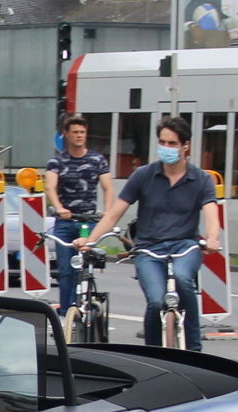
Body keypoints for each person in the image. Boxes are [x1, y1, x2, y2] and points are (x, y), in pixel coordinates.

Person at [83, 114, 220, 351]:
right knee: (156, 302)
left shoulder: (201, 179)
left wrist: (213, 239)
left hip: (184, 246)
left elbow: (211, 216)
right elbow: (114, 214)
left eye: (172, 143)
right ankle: (153, 354)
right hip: (148, 249)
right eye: (162, 142)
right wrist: (90, 240)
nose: (166, 148)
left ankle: (195, 348)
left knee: (183, 279)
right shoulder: (143, 175)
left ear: (185, 146)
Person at [44, 114, 112, 312]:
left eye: (82, 132)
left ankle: (85, 305)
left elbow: (108, 188)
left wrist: (108, 212)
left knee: (83, 268)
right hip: (65, 223)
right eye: (75, 132)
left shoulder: (97, 159)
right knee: (66, 270)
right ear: (66, 135)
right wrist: (59, 208)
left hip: (88, 223)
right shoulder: (57, 162)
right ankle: (67, 312)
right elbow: (50, 187)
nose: (79, 136)